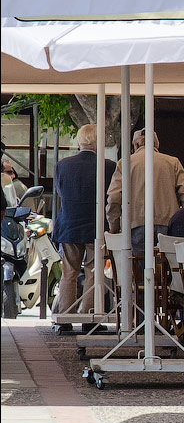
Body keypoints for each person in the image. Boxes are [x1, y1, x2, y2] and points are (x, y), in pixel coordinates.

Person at [51, 123, 115, 326]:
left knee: (69, 272)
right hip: (96, 226)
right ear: (99, 142)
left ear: (79, 141)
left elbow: (61, 193)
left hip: (69, 223)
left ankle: (65, 317)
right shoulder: (109, 166)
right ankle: (90, 316)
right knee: (93, 271)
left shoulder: (62, 165)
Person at [105, 128, 184, 256]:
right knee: (166, 267)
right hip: (168, 225)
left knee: (139, 268)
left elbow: (114, 197)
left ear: (135, 145)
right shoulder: (172, 162)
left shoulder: (125, 163)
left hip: (136, 224)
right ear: (156, 145)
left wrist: (113, 225)